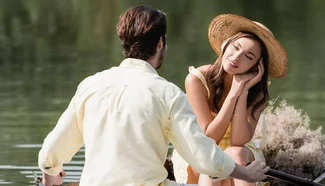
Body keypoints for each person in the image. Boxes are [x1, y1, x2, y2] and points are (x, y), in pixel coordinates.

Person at [37, 6, 268, 186]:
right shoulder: (168, 94)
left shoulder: (90, 85)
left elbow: (50, 153)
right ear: (160, 44)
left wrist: (52, 176)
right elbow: (204, 156)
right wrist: (244, 172)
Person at [170, 14, 287, 186]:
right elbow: (209, 140)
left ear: (256, 67)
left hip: (240, 153)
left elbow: (238, 141)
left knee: (236, 153)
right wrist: (233, 94)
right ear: (226, 44)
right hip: (201, 150)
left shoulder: (258, 91)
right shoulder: (197, 80)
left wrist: (243, 91)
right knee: (213, 163)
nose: (236, 57)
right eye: (235, 47)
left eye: (248, 56)